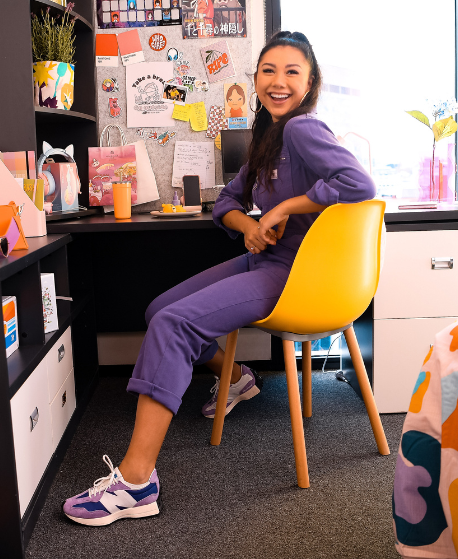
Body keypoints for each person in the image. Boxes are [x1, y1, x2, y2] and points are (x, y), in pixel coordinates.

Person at [62, 31, 376, 526]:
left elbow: (360, 184)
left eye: (292, 72)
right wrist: (251, 224)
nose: (279, 82)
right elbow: (227, 202)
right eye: (269, 71)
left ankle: (136, 483)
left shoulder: (302, 130)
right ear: (255, 80)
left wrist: (286, 209)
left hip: (298, 276)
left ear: (311, 82)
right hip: (269, 263)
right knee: (158, 309)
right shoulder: (270, 140)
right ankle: (235, 377)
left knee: (173, 325)